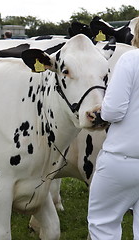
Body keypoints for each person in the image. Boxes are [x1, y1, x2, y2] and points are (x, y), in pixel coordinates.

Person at [87, 20, 139, 240]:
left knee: (103, 224)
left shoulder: (131, 60)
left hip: (123, 158)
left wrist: (102, 110)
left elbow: (114, 111)